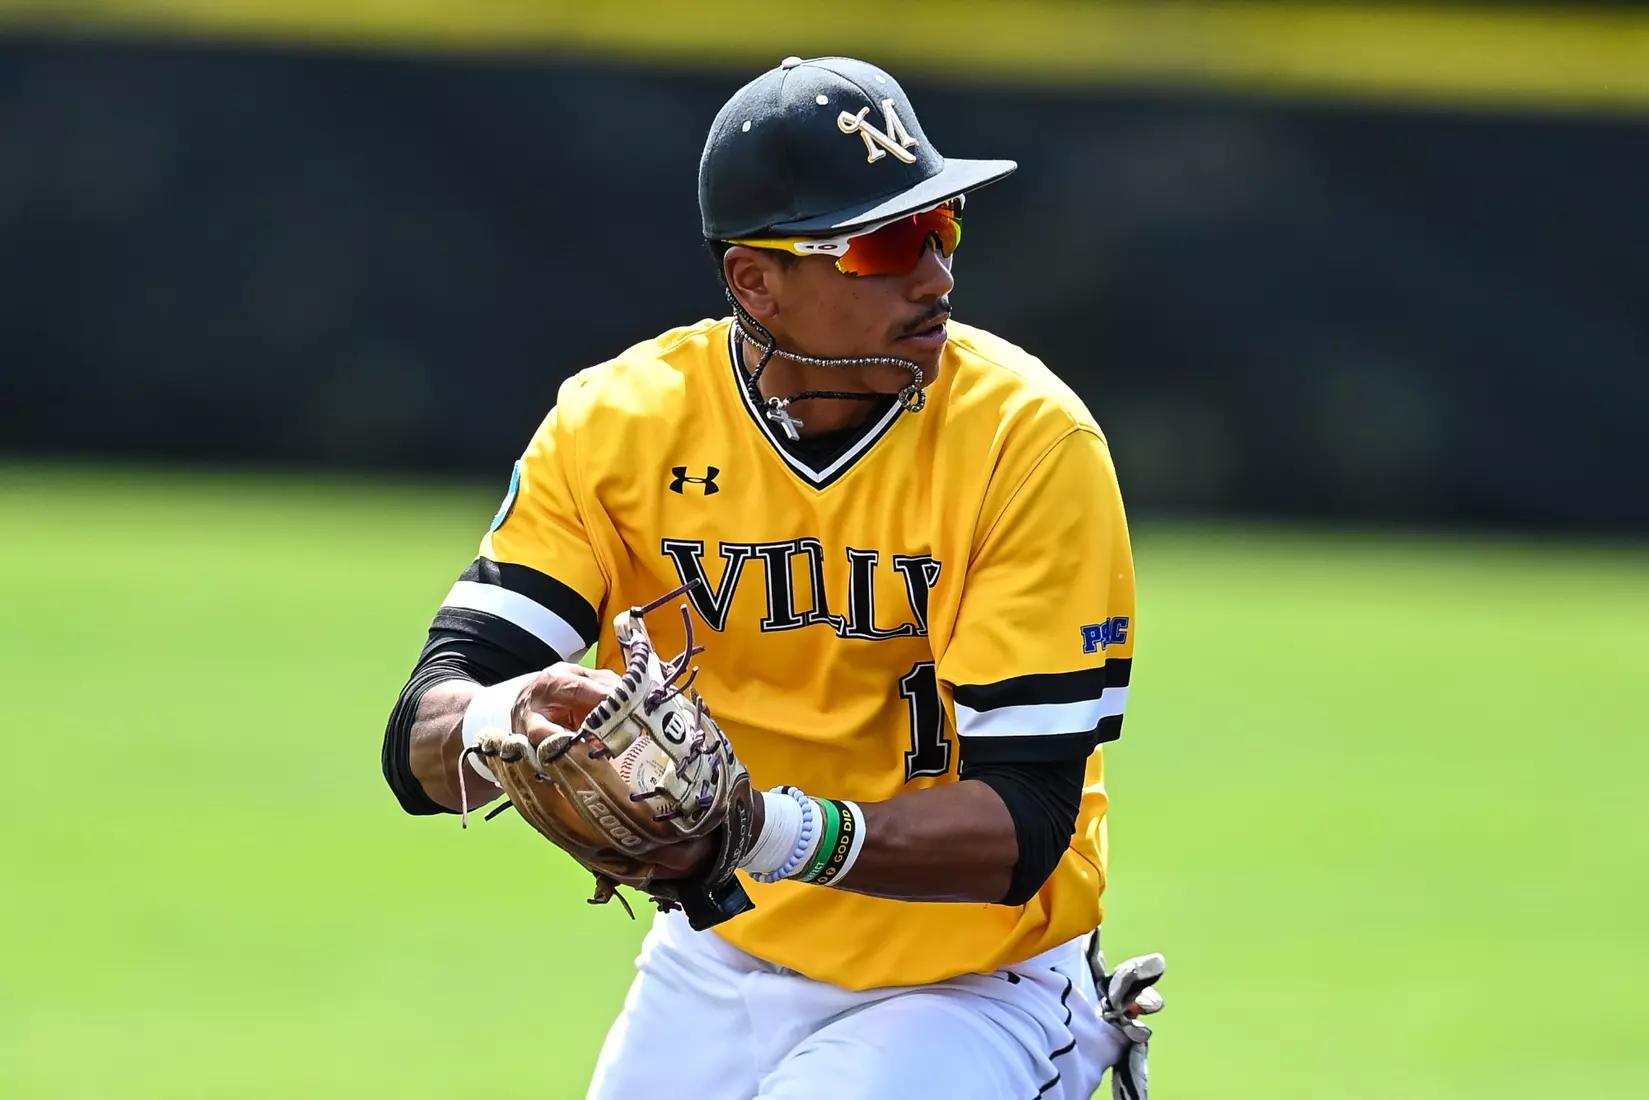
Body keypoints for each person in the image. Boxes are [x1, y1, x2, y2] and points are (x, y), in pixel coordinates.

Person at [380, 54, 1158, 1100]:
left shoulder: (1026, 440)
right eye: (884, 241)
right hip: (719, 955)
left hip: (975, 976)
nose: (935, 274)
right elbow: (420, 735)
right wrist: (506, 716)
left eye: (943, 223)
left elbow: (1020, 827)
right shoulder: (620, 425)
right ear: (755, 280)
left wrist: (756, 827)